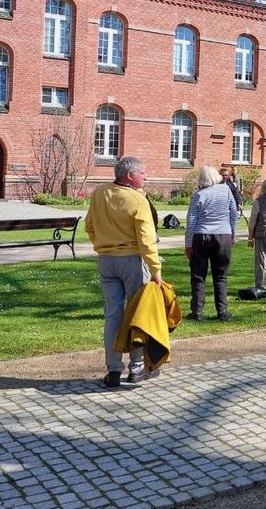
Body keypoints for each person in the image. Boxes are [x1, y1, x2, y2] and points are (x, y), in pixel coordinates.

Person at [85, 156, 163, 388]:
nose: (146, 177)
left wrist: (103, 245)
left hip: (107, 260)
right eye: (143, 173)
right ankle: (137, 368)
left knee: (113, 315)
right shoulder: (137, 200)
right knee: (138, 315)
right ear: (130, 176)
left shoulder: (99, 193)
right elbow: (147, 239)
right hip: (132, 260)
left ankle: (113, 369)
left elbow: (89, 225)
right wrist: (155, 269)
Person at [185, 165, 238, 322]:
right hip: (223, 235)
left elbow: (191, 221)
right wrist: (232, 233)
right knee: (221, 275)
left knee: (198, 275)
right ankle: (222, 311)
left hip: (201, 236)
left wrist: (188, 244)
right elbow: (233, 214)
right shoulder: (225, 190)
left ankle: (196, 311)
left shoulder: (198, 195)